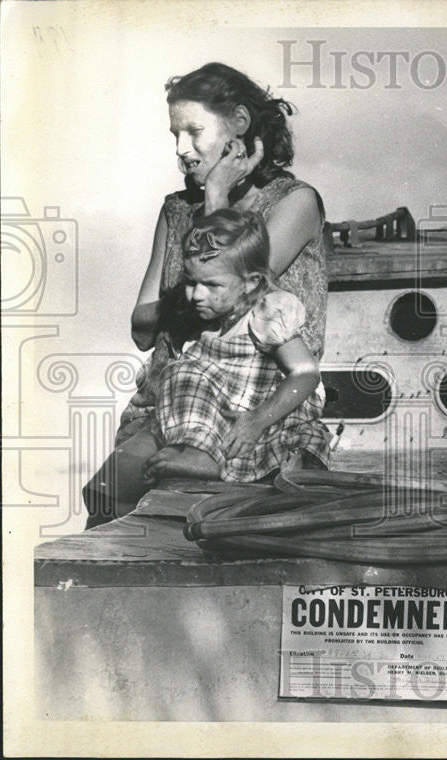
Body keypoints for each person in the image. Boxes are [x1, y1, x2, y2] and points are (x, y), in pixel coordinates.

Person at [84, 62, 328, 527]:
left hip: (255, 400)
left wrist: (216, 195)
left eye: (194, 131)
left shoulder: (294, 203)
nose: (181, 149)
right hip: (178, 399)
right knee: (103, 494)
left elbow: (235, 286)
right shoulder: (177, 210)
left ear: (238, 125)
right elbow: (141, 327)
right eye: (175, 135)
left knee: (201, 516)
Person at [139, 209, 331, 484]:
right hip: (221, 433)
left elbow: (306, 374)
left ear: (250, 282)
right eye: (191, 282)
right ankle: (196, 454)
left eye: (212, 284)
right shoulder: (204, 322)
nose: (196, 295)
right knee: (179, 372)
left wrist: (257, 420)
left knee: (300, 452)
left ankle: (203, 460)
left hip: (265, 419)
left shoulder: (265, 313)